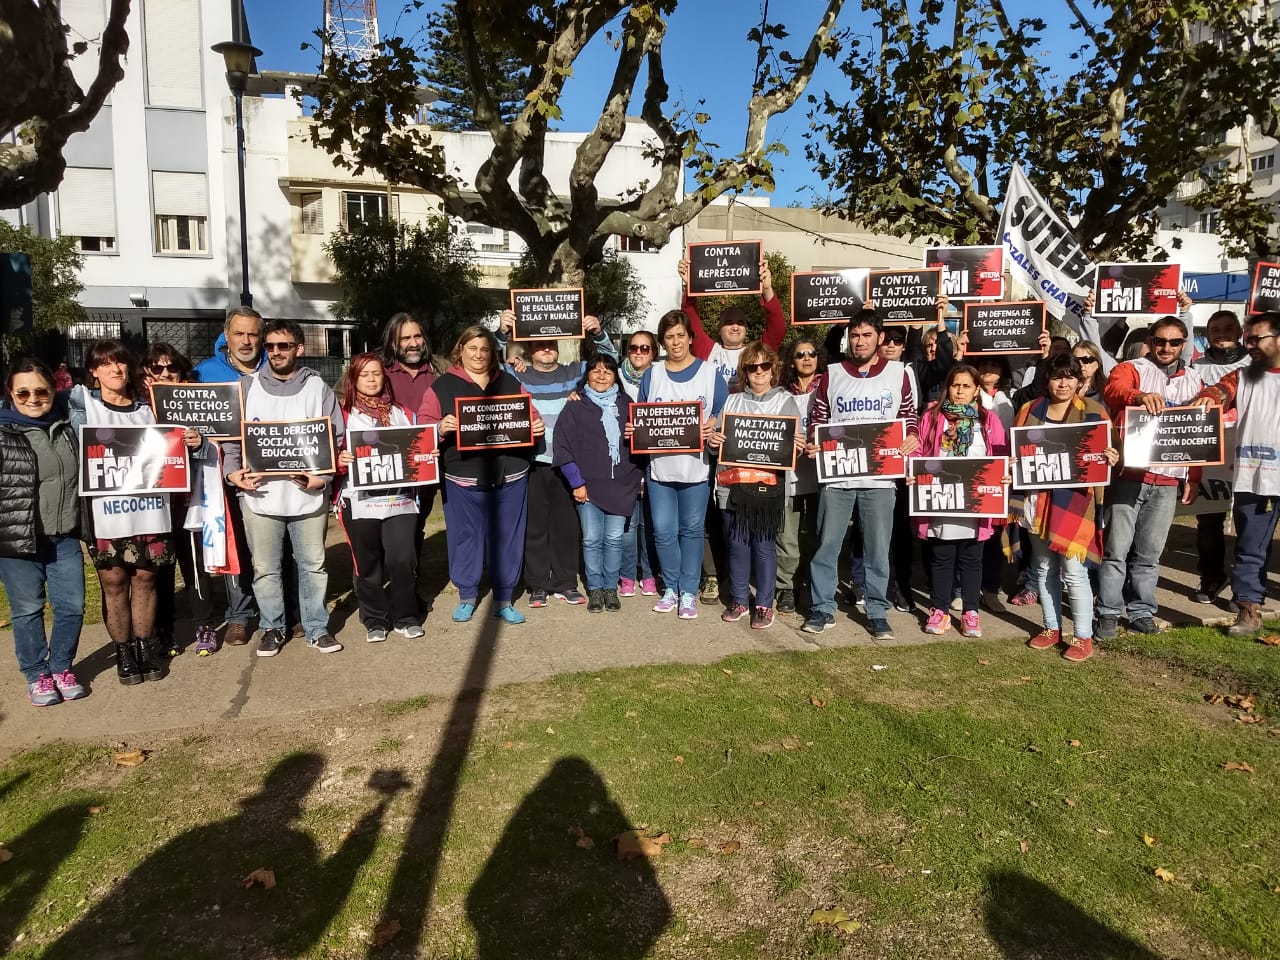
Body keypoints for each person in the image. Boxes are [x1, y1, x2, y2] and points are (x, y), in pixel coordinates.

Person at [70, 340, 201, 684]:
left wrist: (190, 441)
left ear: (130, 369)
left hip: (149, 511)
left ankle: (145, 646)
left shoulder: (149, 408)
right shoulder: (81, 405)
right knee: (114, 582)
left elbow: (174, 448)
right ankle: (124, 651)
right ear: (94, 372)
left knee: (146, 577)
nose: (115, 370)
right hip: (107, 512)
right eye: (106, 364)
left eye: (121, 363)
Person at [221, 319, 346, 657]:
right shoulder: (246, 387)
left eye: (284, 345)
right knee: (266, 569)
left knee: (313, 567)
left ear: (298, 349)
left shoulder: (317, 388)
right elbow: (233, 439)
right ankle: (272, 628)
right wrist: (233, 474)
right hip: (260, 497)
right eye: (271, 346)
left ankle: (317, 628)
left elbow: (334, 439)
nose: (276, 352)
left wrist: (323, 478)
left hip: (308, 496)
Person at [804, 307, 921, 638]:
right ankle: (822, 608)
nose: (859, 341)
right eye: (854, 335)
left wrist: (912, 435)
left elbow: (908, 415)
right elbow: (819, 419)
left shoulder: (899, 373)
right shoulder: (832, 373)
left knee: (876, 550)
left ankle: (877, 611)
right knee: (827, 546)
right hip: (838, 477)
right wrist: (815, 442)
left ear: (880, 338)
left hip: (880, 478)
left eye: (867, 335)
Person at [678, 254, 786, 605]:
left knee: (749, 527)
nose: (735, 327)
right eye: (728, 323)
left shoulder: (757, 354)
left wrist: (767, 291)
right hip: (712, 444)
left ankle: (752, 586)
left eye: (740, 323)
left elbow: (778, 329)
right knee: (714, 517)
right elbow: (690, 318)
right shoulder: (709, 351)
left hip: (752, 453)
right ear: (720, 329)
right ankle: (714, 576)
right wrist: (688, 286)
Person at [418, 325, 544, 624]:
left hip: (511, 475)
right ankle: (467, 594)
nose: (478, 354)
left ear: (492, 353)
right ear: (460, 351)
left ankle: (503, 597)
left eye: (484, 349)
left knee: (508, 538)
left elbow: (532, 415)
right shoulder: (441, 387)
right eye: (472, 348)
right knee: (465, 537)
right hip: (462, 478)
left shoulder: (511, 383)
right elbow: (422, 430)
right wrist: (439, 428)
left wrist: (535, 428)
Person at [495, 310, 617, 607]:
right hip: (533, 462)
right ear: (528, 349)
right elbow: (486, 364)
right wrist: (501, 332)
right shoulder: (515, 373)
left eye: (550, 343)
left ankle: (565, 582)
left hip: (568, 464)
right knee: (534, 526)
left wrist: (597, 332)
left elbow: (610, 361)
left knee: (566, 526)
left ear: (558, 347)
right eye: (539, 344)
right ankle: (537, 584)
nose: (546, 348)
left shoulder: (575, 372)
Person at [1096, 316, 1204, 639]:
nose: (1166, 347)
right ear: (1151, 341)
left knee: (1150, 555)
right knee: (1116, 550)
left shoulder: (1195, 381)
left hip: (1168, 482)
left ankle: (1142, 611)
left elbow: (1197, 435)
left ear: (1184, 345)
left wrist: (1194, 477)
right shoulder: (1132, 368)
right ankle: (1108, 613)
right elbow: (1113, 390)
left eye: (1174, 342)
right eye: (1160, 341)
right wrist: (1139, 397)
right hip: (1129, 475)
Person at [1012, 354, 1120, 662]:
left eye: (1070, 377)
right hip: (1036, 500)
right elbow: (1016, 450)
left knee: (1074, 571)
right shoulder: (1029, 410)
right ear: (1047, 379)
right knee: (1044, 567)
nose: (1063, 382)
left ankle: (1083, 635)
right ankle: (1051, 628)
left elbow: (1114, 453)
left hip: (1076, 502)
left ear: (1080, 380)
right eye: (1058, 376)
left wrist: (1113, 457)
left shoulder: (1095, 412)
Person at [0, 359, 86, 705]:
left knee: (72, 607)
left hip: (64, 535)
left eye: (41, 391)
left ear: (54, 391)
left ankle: (62, 667)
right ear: (11, 393)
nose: (33, 398)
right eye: (23, 392)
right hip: (18, 540)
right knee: (27, 610)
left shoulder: (66, 428)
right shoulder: (3, 431)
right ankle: (37, 675)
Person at [633, 310, 728, 620]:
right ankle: (671, 588)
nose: (675, 342)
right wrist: (634, 429)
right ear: (663, 341)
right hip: (660, 468)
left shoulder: (710, 373)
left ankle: (688, 591)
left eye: (680, 335)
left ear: (690, 338)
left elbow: (725, 411)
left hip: (696, 468)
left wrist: (712, 424)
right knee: (662, 532)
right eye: (669, 336)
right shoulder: (652, 374)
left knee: (691, 531)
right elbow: (642, 416)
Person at [1192, 311, 1280, 636]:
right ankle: (1248, 608)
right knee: (1250, 545)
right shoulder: (1241, 377)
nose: (1251, 345)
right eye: (1249, 340)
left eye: (1259, 339)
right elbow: (1220, 392)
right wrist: (1207, 398)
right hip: (1255, 475)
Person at [909, 364, 1008, 638]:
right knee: (941, 557)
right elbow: (918, 453)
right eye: (956, 385)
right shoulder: (930, 418)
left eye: (966, 386)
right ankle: (939, 609)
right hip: (941, 501)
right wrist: (912, 474)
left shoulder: (988, 421)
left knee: (972, 558)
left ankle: (970, 612)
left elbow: (1001, 457)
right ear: (947, 388)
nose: (960, 391)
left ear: (977, 390)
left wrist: (1004, 477)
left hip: (976, 505)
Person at [709, 342, 803, 629]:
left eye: (764, 366)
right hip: (734, 486)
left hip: (768, 489)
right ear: (744, 372)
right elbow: (716, 444)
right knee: (737, 546)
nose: (758, 372)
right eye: (752, 367)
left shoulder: (786, 401)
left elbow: (794, 446)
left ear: (773, 369)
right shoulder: (732, 401)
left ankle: (764, 603)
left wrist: (796, 446)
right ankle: (738, 599)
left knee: (764, 547)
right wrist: (714, 443)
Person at [335, 353, 424, 643]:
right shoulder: (343, 414)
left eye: (376, 373)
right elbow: (327, 454)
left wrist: (427, 454)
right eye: (364, 374)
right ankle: (374, 619)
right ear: (353, 379)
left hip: (400, 500)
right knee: (368, 563)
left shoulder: (403, 412)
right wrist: (340, 460)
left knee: (401, 560)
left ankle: (406, 617)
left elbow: (420, 449)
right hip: (359, 501)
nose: (372, 379)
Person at [142, 341, 220, 657]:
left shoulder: (194, 400)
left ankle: (204, 625)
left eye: (171, 367)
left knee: (194, 567)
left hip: (189, 500)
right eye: (156, 367)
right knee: (159, 568)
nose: (165, 372)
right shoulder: (136, 406)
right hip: (152, 501)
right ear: (145, 371)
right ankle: (164, 630)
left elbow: (214, 445)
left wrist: (199, 442)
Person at [195, 307, 265, 647]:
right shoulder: (205, 373)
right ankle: (239, 615)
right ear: (227, 335)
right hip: (220, 473)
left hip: (269, 472)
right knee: (232, 542)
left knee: (271, 548)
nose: (247, 340)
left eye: (253, 334)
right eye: (240, 334)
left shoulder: (275, 367)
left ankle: (278, 611)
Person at [552, 354, 642, 612]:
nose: (601, 375)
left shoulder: (627, 404)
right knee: (591, 539)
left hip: (621, 485)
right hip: (587, 487)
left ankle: (610, 589)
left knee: (614, 539)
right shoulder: (576, 405)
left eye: (608, 371)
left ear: (616, 376)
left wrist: (636, 435)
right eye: (595, 370)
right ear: (587, 375)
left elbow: (643, 442)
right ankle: (595, 589)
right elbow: (562, 447)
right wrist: (576, 483)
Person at [1189, 310, 1251, 605]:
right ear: (1208, 333)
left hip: (1247, 453)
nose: (1221, 333)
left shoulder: (1252, 364)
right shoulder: (1195, 366)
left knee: (1246, 520)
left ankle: (1246, 587)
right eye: (1215, 329)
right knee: (1209, 522)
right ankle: (1212, 576)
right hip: (1210, 455)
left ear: (1239, 332)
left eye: (1228, 328)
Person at [379, 312, 439, 616]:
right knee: (388, 533)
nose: (413, 343)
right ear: (393, 341)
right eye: (405, 338)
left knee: (416, 527)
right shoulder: (379, 370)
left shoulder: (440, 369)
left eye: (417, 336)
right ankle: (381, 596)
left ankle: (408, 590)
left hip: (431, 464)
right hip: (388, 467)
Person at [775, 337, 824, 613]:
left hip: (821, 474)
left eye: (812, 353)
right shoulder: (782, 393)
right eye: (800, 354)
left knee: (818, 535)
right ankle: (787, 588)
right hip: (790, 475)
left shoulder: (830, 388)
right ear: (791, 361)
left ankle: (815, 585)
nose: (806, 358)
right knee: (787, 536)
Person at [618, 329, 661, 597]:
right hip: (624, 457)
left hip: (655, 457)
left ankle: (648, 573)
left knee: (650, 521)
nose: (639, 353)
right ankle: (626, 574)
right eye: (634, 348)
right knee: (628, 521)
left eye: (645, 348)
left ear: (653, 352)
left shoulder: (662, 376)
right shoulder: (617, 375)